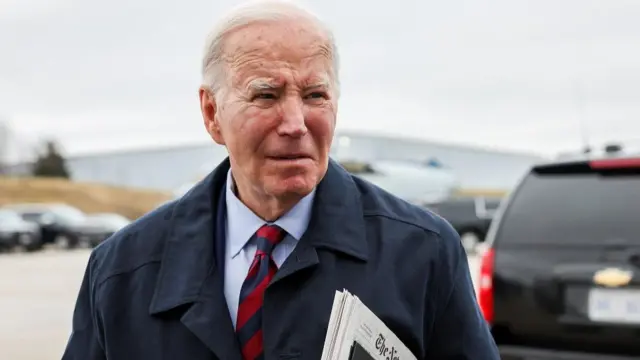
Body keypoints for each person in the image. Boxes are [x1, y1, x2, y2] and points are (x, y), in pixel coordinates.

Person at [61, 1, 500, 359]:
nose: (295, 123)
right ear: (212, 113)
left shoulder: (422, 253)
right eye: (265, 95)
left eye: (315, 95)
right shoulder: (123, 271)